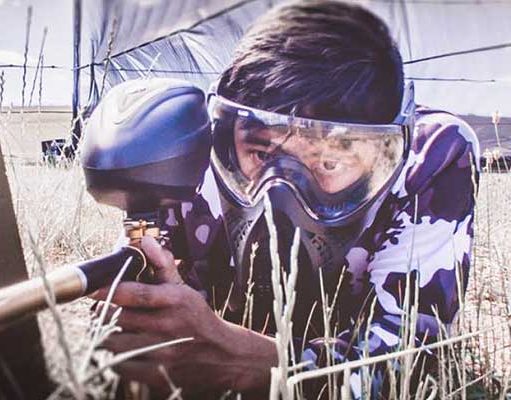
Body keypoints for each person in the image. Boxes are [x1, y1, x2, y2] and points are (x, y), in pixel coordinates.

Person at [91, 0, 480, 397]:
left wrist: (249, 363)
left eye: (328, 161)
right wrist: (152, 311)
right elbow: (134, 337)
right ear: (227, 134)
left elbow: (410, 358)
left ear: (382, 157)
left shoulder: (430, 155)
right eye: (261, 154)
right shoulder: (192, 153)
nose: (280, 189)